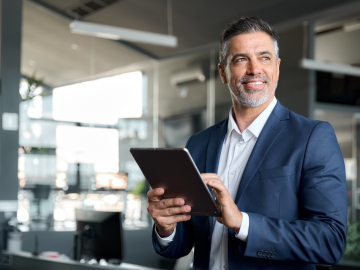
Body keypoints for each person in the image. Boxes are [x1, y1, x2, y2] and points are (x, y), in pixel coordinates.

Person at [147, 16, 347, 270]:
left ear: (277, 66)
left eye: (264, 57)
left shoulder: (312, 137)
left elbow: (330, 241)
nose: (254, 69)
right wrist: (166, 227)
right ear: (223, 72)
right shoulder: (198, 143)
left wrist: (243, 223)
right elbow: (184, 242)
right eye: (241, 59)